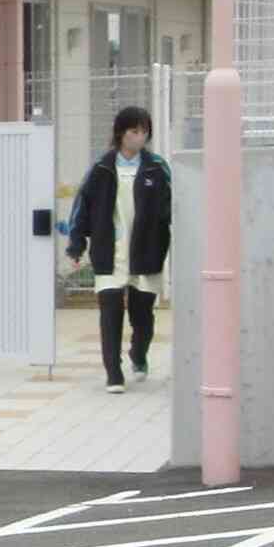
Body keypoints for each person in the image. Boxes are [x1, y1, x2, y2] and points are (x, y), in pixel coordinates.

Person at [63, 105, 173, 391]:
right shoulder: (101, 169)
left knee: (143, 316)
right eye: (135, 131)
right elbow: (81, 209)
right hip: (109, 253)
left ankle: (138, 354)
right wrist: (76, 244)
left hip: (147, 252)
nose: (141, 137)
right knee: (110, 315)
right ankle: (114, 373)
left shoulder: (157, 168)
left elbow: (174, 209)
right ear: (121, 133)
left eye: (145, 131)